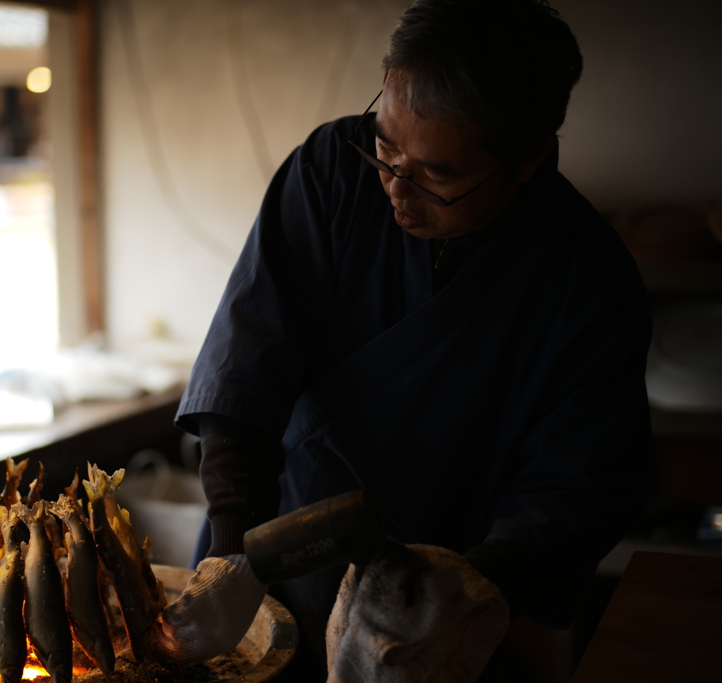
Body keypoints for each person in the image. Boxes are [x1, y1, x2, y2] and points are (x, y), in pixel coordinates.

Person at [155, 0, 652, 680]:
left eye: (436, 175)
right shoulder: (333, 169)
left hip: (436, 614)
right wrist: (231, 543)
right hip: (266, 568)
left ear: (528, 158)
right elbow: (245, 365)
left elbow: (574, 489)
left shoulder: (588, 278)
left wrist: (469, 589)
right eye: (385, 145)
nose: (394, 187)